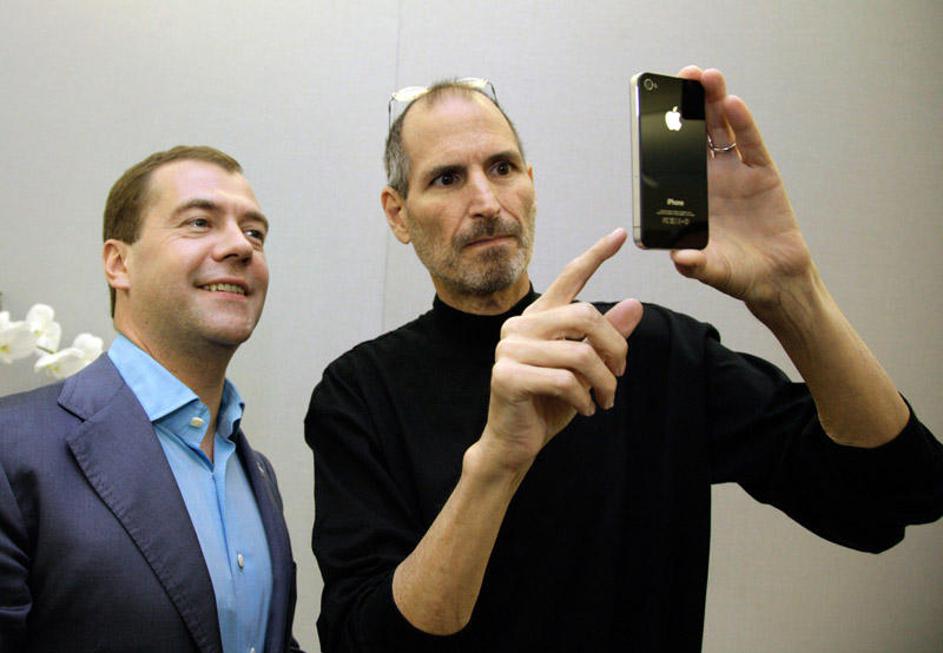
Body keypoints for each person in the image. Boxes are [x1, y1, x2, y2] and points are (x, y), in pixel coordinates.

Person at [306, 70, 943, 652]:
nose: (486, 201)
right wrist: (497, 461)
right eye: (446, 178)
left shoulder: (642, 347)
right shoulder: (358, 393)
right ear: (398, 215)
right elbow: (363, 642)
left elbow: (893, 496)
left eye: (502, 168)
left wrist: (794, 294)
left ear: (532, 183)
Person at [0, 146, 303, 652]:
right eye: (199, 222)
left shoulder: (258, 474)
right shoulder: (12, 450)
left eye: (255, 233)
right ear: (119, 263)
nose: (241, 246)